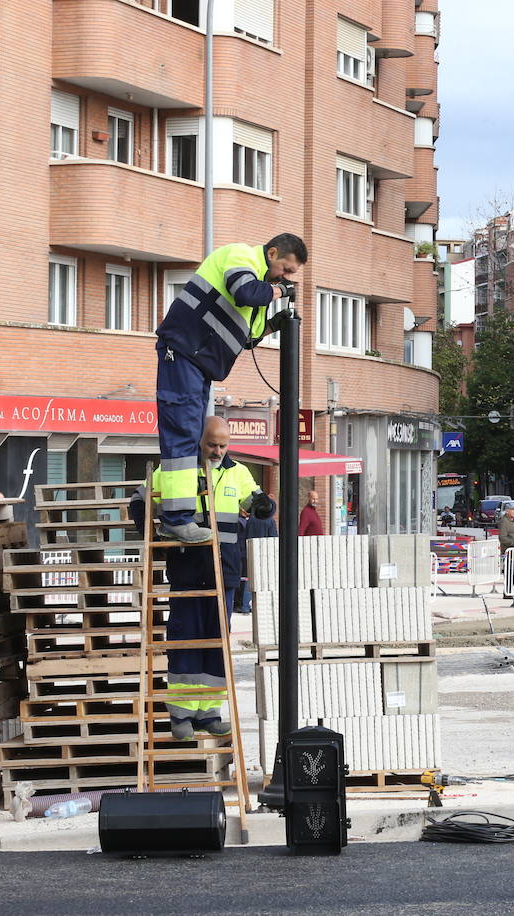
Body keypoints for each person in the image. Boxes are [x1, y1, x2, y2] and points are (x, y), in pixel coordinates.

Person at [152, 234, 307, 544]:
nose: (286, 277)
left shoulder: (258, 280)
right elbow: (245, 292)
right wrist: (277, 291)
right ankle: (177, 518)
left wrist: (276, 322)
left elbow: (249, 336)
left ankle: (183, 515)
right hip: (184, 350)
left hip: (199, 361)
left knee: (193, 434)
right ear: (272, 252)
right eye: (286, 269)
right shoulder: (241, 256)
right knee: (183, 431)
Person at [131, 417, 272, 738]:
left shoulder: (238, 472)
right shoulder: (176, 472)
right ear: (199, 441)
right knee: (185, 642)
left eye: (223, 445)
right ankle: (181, 715)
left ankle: (208, 712)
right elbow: (139, 502)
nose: (218, 451)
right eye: (213, 444)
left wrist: (264, 506)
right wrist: (154, 540)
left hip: (224, 572)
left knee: (217, 645)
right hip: (188, 570)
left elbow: (254, 501)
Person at [239, 495, 277, 613]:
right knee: (264, 580)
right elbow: (273, 538)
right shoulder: (270, 521)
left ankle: (245, 606)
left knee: (250, 579)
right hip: (264, 554)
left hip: (249, 552)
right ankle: (261, 606)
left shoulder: (251, 520)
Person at [497, 502, 514, 595]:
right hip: (509, 553)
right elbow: (502, 537)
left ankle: (509, 591)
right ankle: (507, 592)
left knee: (513, 574)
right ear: (507, 511)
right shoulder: (504, 521)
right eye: (513, 509)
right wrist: (513, 542)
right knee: (509, 573)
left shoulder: (511, 520)